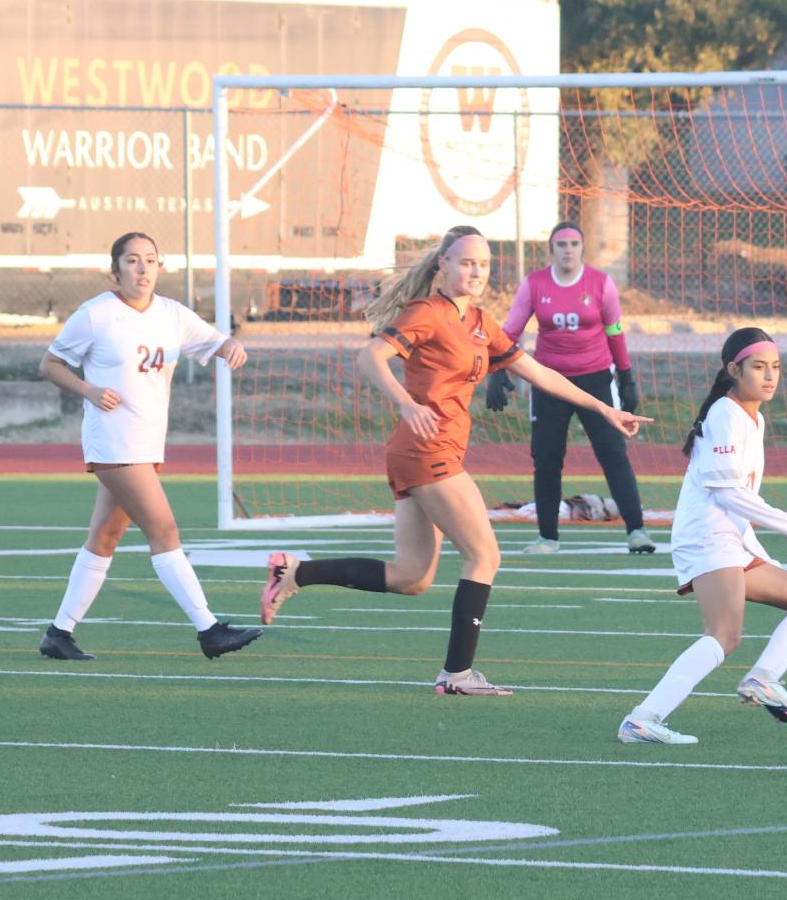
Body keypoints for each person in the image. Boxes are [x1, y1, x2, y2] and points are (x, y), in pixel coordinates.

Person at [257, 224, 651, 695]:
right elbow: (370, 358)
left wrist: (604, 408)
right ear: (443, 264)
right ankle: (457, 674)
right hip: (428, 451)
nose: (476, 271)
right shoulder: (427, 312)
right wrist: (406, 403)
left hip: (422, 453)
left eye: (483, 264)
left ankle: (298, 572)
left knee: (411, 577)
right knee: (485, 554)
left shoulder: (481, 323)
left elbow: (539, 371)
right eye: (466, 262)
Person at [37, 231, 263, 661]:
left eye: (150, 260)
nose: (142, 269)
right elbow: (50, 364)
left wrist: (231, 346)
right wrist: (87, 389)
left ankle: (58, 633)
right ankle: (209, 630)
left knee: (105, 537)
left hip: (147, 442)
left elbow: (216, 342)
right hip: (113, 442)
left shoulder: (171, 314)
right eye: (132, 261)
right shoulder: (95, 315)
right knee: (164, 530)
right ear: (115, 269)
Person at [618, 327, 787, 745]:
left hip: (729, 542)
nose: (769, 376)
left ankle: (764, 678)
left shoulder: (754, 418)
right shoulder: (724, 414)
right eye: (758, 367)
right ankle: (643, 719)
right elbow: (728, 493)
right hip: (707, 541)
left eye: (776, 368)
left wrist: (760, 552)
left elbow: (738, 499)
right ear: (734, 370)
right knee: (724, 636)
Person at [488, 220, 653, 555]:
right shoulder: (534, 284)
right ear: (551, 250)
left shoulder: (600, 284)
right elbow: (512, 328)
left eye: (574, 244)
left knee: (613, 453)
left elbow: (615, 330)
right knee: (547, 458)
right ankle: (547, 537)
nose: (567, 250)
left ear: (582, 249)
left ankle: (637, 532)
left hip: (595, 379)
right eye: (561, 245)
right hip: (548, 381)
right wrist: (496, 370)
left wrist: (626, 377)